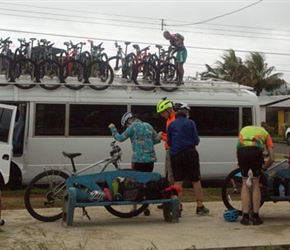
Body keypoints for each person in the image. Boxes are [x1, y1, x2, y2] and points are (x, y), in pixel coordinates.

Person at [108, 112, 161, 216]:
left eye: (126, 125)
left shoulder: (133, 126)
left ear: (129, 120)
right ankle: (147, 207)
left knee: (136, 183)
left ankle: (135, 207)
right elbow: (157, 140)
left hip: (138, 160)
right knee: (147, 182)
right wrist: (158, 135)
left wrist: (113, 129)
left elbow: (120, 138)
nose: (127, 127)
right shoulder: (148, 125)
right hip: (150, 160)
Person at [167, 102, 209, 215]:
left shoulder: (171, 125)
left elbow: (169, 142)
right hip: (190, 153)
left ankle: (178, 207)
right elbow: (196, 140)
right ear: (186, 113)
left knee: (178, 181)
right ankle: (200, 206)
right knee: (195, 180)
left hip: (175, 154)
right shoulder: (190, 123)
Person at [237, 125, 275, 225]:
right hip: (255, 151)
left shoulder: (244, 130)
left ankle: (245, 217)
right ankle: (256, 216)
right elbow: (272, 158)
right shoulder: (266, 134)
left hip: (242, 151)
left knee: (245, 184)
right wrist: (264, 168)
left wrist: (240, 163)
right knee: (255, 184)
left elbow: (237, 148)